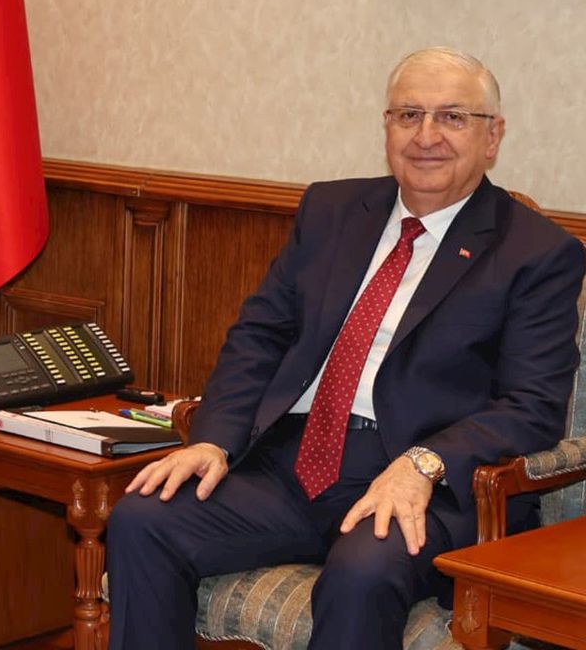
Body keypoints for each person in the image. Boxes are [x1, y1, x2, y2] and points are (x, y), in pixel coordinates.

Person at [105, 47, 585, 650]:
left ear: (492, 137)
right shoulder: (332, 210)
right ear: (387, 127)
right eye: (408, 115)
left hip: (419, 480)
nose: (426, 136)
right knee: (143, 519)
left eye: (452, 117)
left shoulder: (536, 252)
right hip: (292, 461)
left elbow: (532, 405)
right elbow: (260, 335)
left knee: (361, 573)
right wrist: (214, 440)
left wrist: (425, 463)